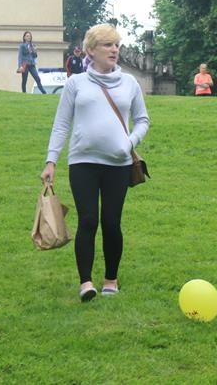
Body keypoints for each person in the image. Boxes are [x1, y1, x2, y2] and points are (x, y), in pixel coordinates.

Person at [41, 23, 150, 302]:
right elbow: (61, 124)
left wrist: (130, 142)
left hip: (118, 164)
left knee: (111, 222)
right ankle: (86, 282)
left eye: (116, 45)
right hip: (83, 163)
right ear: (91, 50)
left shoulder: (130, 83)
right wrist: (51, 161)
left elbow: (142, 120)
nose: (114, 50)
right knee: (88, 220)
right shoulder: (75, 83)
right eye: (107, 45)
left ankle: (111, 279)